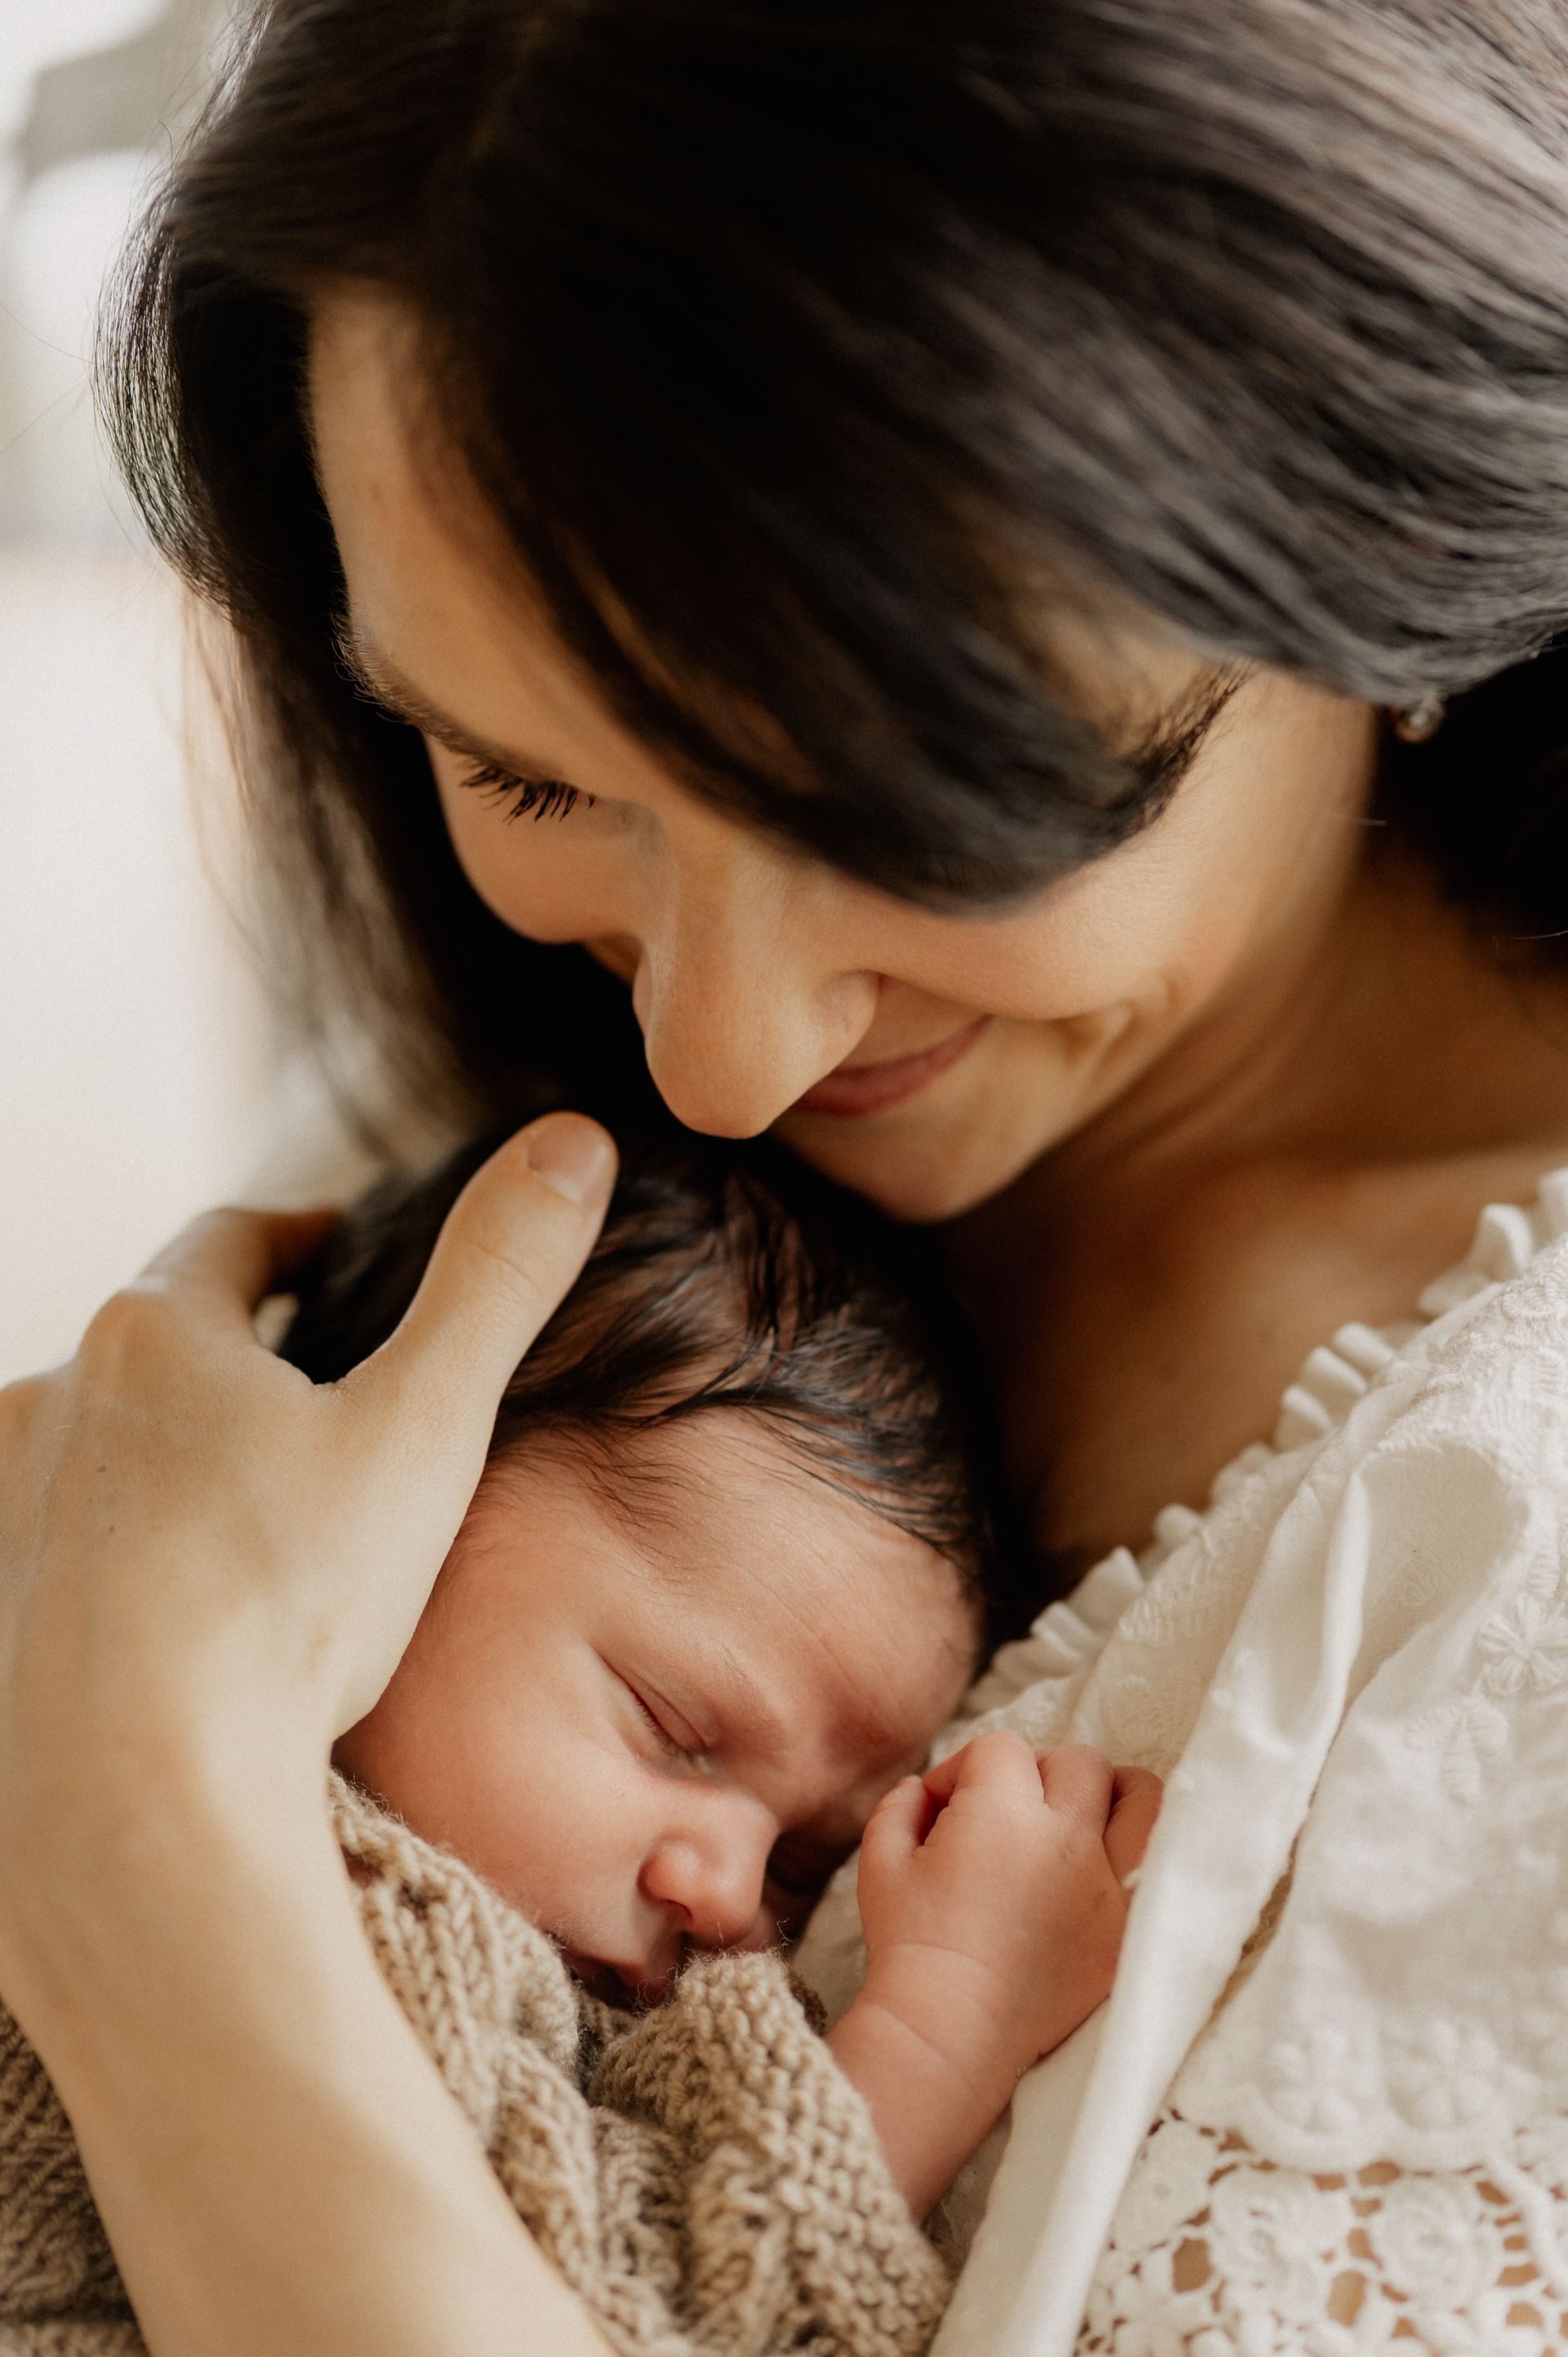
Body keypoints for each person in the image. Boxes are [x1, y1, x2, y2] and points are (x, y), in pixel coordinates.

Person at [5, 0, 1568, 2350]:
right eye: (522, 776)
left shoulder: (1503, 1519)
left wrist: (139, 1832)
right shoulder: (508, 1171)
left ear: (1378, 563)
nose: (713, 1055)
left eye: (905, 815)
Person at [0, 1134, 1160, 2354]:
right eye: (674, 1726)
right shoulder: (375, 1899)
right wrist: (947, 2022)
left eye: (800, 1868)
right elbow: (669, 2294)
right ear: (377, 1508)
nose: (725, 1895)